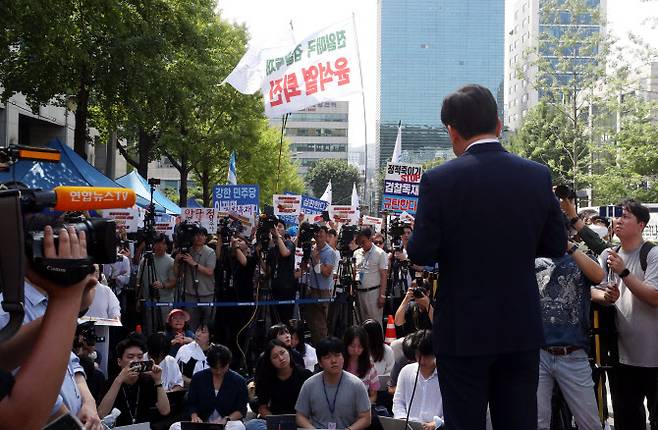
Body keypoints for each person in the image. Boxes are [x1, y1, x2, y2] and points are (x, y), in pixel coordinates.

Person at [407, 84, 566, 430]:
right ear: (498, 124)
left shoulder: (438, 180)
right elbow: (556, 245)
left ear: (452, 130)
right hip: (519, 327)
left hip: (462, 330)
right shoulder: (536, 175)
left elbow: (419, 251)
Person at [0, 225, 98, 429]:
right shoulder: (9, 311)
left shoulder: (47, 305)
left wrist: (69, 305)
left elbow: (69, 362)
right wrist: (67, 299)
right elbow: (19, 421)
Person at [597, 199, 658, 430]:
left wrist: (623, 271)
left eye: (625, 216)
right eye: (617, 216)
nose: (618, 221)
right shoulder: (607, 255)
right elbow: (593, 288)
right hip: (621, 357)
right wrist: (604, 296)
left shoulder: (652, 254)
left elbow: (654, 297)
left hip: (654, 357)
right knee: (627, 421)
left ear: (641, 224)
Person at [535, 236, 607, 430]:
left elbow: (599, 276)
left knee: (589, 423)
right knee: (537, 422)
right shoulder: (532, 259)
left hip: (573, 353)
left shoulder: (578, 258)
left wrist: (568, 245)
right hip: (538, 354)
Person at [295, 337, 371, 430]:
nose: (334, 361)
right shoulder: (309, 385)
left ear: (343, 358)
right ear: (320, 363)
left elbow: (366, 418)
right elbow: (300, 416)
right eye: (327, 357)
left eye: (337, 355)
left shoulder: (356, 384)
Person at [97, 337, 170, 425]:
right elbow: (101, 414)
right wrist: (119, 380)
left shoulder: (148, 380)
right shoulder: (111, 382)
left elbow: (165, 411)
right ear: (119, 361)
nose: (136, 361)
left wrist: (158, 381)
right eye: (130, 357)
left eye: (140, 357)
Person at [246, 340, 313, 430]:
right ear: (270, 361)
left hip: (302, 421)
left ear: (288, 351)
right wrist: (275, 422)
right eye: (275, 357)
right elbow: (263, 408)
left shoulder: (304, 375)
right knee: (252, 424)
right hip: (277, 422)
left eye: (282, 353)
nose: (281, 358)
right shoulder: (266, 378)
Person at [177, 344, 248, 428]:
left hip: (227, 423)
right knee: (176, 426)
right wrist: (194, 416)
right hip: (202, 422)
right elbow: (191, 402)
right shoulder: (198, 378)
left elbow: (241, 409)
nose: (218, 372)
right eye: (215, 368)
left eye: (222, 368)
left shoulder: (239, 381)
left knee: (238, 426)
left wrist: (227, 419)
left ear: (228, 363)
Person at [392, 330, 444, 429]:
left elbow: (452, 407)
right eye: (419, 355)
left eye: (427, 356)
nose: (422, 360)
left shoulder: (445, 376)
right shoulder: (406, 371)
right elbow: (398, 401)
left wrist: (437, 423)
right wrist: (402, 420)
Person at [175, 227, 216, 329]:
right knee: (191, 325)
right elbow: (178, 275)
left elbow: (210, 272)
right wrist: (176, 261)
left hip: (207, 294)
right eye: (197, 235)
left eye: (202, 235)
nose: (199, 237)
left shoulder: (210, 252)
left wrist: (193, 263)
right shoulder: (187, 251)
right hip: (190, 295)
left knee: (207, 326)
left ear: (206, 237)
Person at [301, 226, 337, 344]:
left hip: (323, 291)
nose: (319, 236)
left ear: (326, 235)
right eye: (317, 233)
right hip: (311, 290)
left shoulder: (330, 252)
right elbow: (305, 268)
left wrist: (316, 260)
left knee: (321, 324)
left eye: (321, 233)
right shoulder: (312, 250)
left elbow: (326, 273)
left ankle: (324, 348)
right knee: (312, 323)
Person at [137, 234, 176, 334]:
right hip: (148, 300)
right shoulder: (145, 260)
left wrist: (162, 285)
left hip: (164, 301)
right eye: (157, 243)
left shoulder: (171, 261)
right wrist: (138, 299)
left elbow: (174, 281)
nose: (159, 246)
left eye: (163, 244)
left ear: (167, 246)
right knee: (149, 328)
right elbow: (139, 281)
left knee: (165, 327)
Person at [353, 228, 389, 325]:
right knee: (361, 324)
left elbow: (384, 276)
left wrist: (382, 296)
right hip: (359, 293)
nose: (361, 244)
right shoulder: (356, 253)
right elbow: (355, 271)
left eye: (363, 241)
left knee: (375, 323)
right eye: (359, 242)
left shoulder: (380, 253)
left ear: (370, 239)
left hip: (374, 294)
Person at [267, 220, 297, 323]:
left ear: (285, 230)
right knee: (275, 319)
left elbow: (285, 253)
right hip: (275, 288)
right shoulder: (272, 249)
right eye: (275, 227)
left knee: (286, 319)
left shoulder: (289, 243)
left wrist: (278, 235)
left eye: (280, 227)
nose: (277, 229)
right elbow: (268, 270)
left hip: (287, 288)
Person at [343, 325, 380, 403]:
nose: (356, 350)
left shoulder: (369, 365)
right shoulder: (340, 363)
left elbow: (373, 395)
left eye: (360, 346)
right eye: (352, 346)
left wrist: (364, 407)